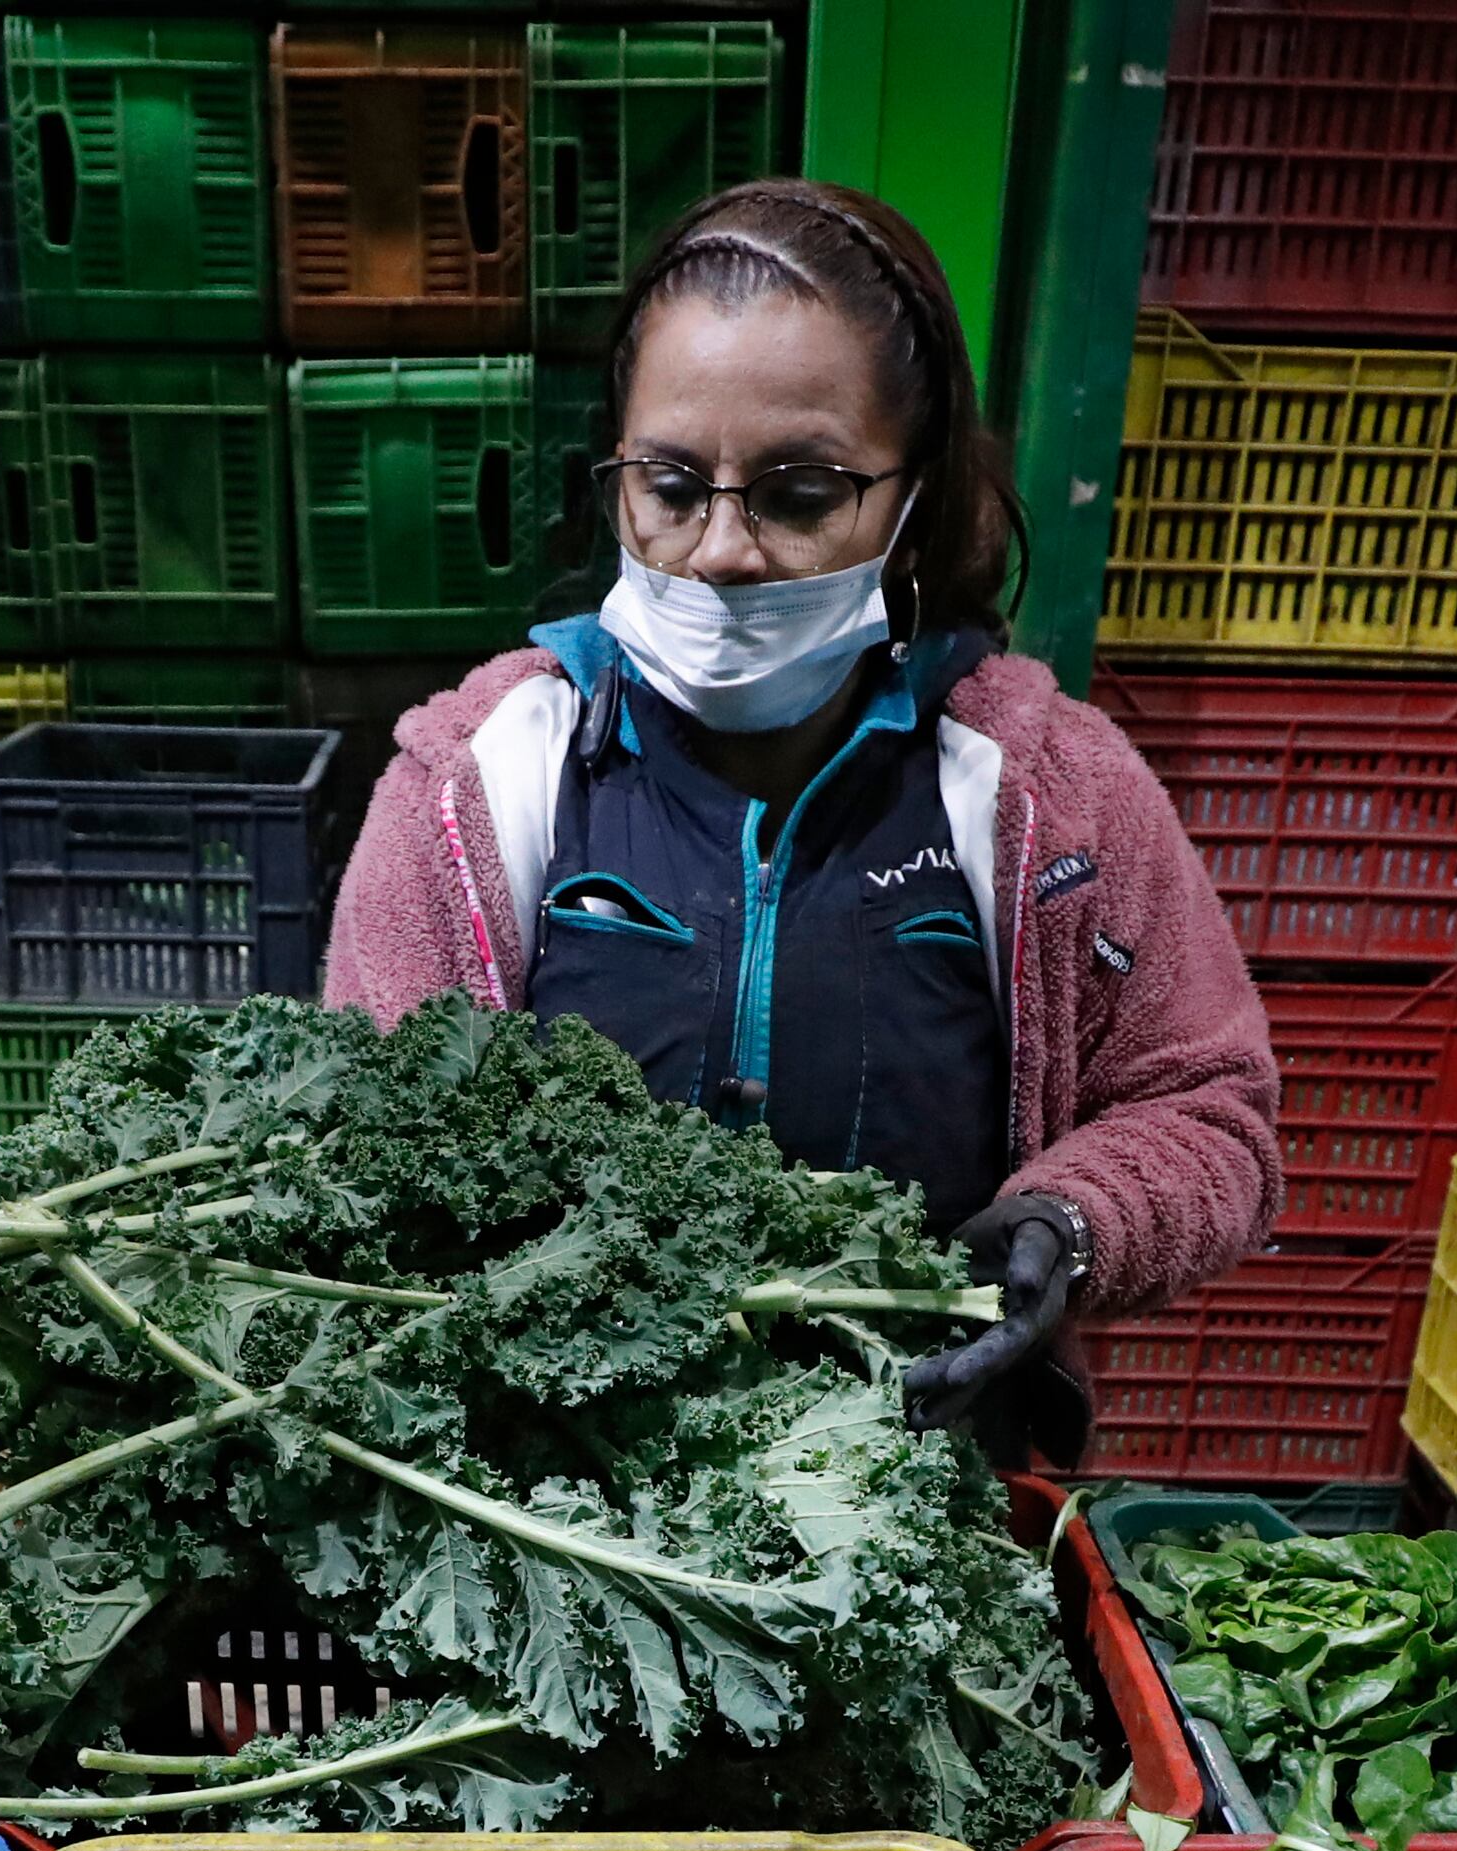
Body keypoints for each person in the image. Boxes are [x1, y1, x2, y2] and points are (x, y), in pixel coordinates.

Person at [322, 180, 1280, 1455]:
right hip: (558, 1527)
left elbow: (1207, 1109)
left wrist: (1077, 1217)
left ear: (910, 499)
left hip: (915, 1509)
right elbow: (353, 1146)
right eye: (670, 485)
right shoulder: (478, 787)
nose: (720, 548)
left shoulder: (1048, 794)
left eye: (799, 491)